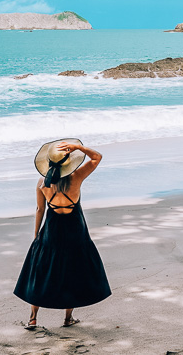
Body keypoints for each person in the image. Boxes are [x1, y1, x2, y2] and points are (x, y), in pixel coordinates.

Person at [14, 138, 111, 329]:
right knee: (72, 271)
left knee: (42, 270)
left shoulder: (43, 182)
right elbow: (97, 157)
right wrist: (78, 147)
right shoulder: (76, 178)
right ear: (69, 163)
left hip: (52, 229)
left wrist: (36, 235)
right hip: (75, 229)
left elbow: (40, 210)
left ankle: (33, 318)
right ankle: (68, 319)